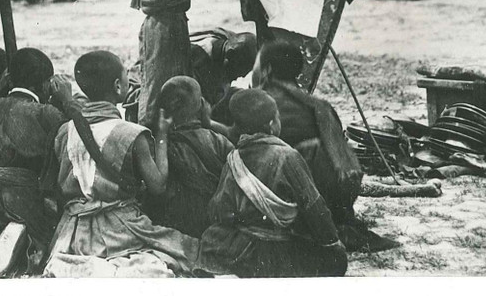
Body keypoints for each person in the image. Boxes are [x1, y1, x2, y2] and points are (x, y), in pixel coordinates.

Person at [44, 51, 198, 278]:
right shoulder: (132, 134)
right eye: (127, 74)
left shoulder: (65, 130)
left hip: (74, 230)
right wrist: (162, 134)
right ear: (118, 87)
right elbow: (158, 186)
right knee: (186, 250)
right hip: (121, 225)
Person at [198, 89, 347, 278]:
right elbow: (315, 208)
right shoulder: (287, 157)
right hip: (277, 252)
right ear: (271, 125)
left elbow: (218, 209)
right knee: (336, 260)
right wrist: (333, 244)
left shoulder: (234, 159)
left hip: (238, 248)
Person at [0, 48, 70, 277]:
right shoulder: (46, 113)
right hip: (19, 198)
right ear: (47, 84)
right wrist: (66, 103)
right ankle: (19, 231)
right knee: (42, 228)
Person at [251, 41, 362, 233]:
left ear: (266, 70)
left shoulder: (259, 103)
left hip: (287, 208)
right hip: (330, 205)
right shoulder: (321, 107)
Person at [148, 76, 233, 238]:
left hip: (174, 225)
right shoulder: (219, 141)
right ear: (201, 105)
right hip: (213, 224)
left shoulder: (160, 145)